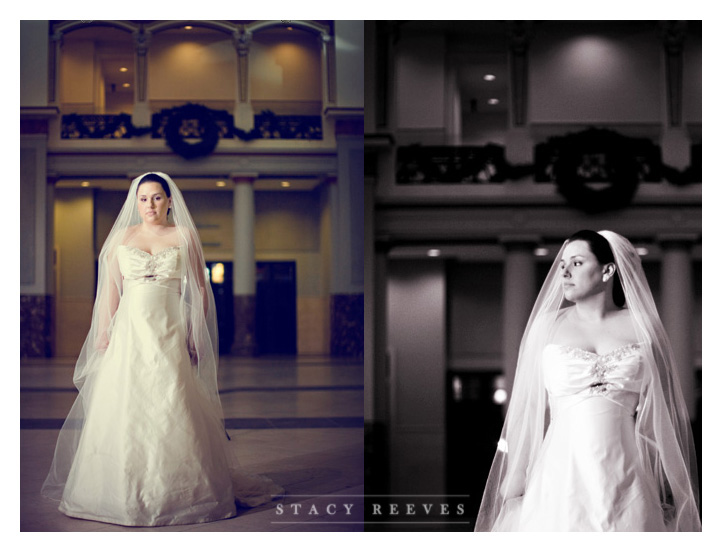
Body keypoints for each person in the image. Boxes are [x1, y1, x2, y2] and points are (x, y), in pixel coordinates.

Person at [42, 172, 282, 526]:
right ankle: (117, 491)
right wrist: (103, 332)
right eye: (142, 198)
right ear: (135, 202)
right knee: (126, 403)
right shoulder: (122, 237)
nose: (149, 205)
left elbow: (200, 290)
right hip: (130, 331)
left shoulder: (184, 236)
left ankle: (182, 491)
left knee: (173, 401)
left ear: (169, 200)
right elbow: (110, 289)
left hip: (170, 328)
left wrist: (194, 333)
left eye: (156, 197)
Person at [475, 230, 700, 531]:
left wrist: (668, 474)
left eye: (577, 263)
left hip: (628, 475)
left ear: (608, 270)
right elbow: (529, 405)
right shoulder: (548, 326)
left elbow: (663, 408)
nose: (564, 271)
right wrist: (516, 471)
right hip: (560, 473)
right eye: (563, 263)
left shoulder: (643, 327)